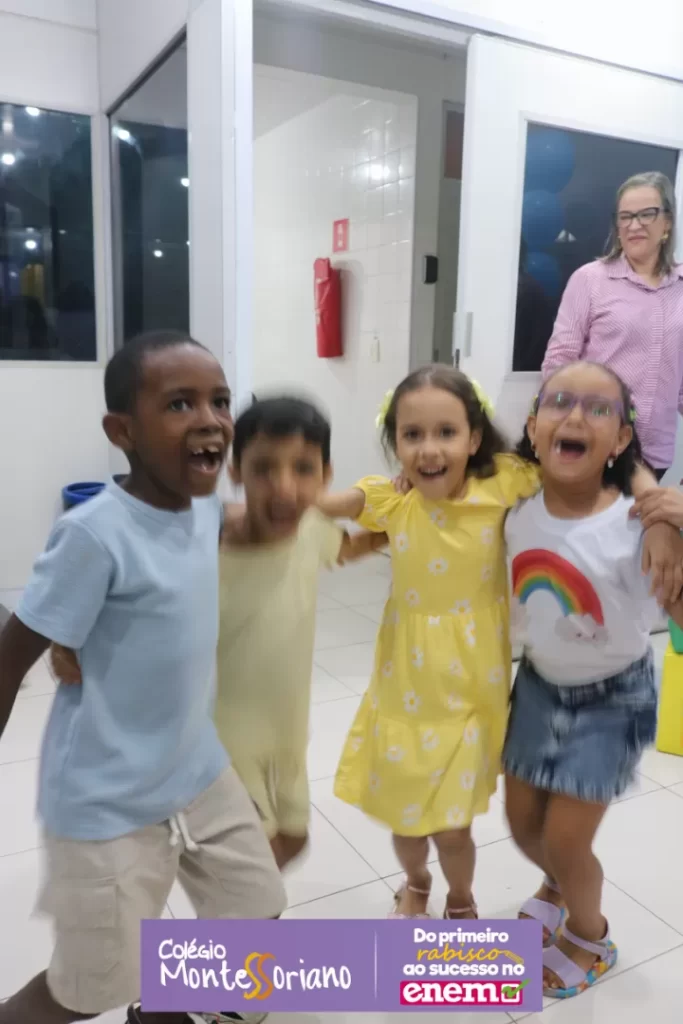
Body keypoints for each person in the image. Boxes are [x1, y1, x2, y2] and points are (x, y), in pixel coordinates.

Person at [317, 365, 681, 923]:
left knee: (512, 833)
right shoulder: (435, 498)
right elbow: (352, 511)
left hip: (533, 695)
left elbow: (615, 463)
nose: (429, 448)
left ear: (475, 437)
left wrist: (657, 511)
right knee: (477, 823)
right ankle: (452, 883)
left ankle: (556, 923)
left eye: (446, 432)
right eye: (412, 434)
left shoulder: (515, 488)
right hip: (464, 688)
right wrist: (284, 506)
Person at [0, 332, 285, 1024]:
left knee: (256, 909)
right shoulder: (94, 534)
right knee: (88, 986)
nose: (210, 420)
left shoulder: (202, 508)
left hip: (195, 770)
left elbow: (237, 531)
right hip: (108, 798)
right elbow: (10, 656)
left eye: (220, 401)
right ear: (121, 431)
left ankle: (159, 1014)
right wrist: (65, 638)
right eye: (180, 404)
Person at [54, 396, 387, 875]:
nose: (284, 487)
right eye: (264, 469)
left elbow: (347, 548)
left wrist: (407, 529)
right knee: (252, 869)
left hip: (287, 734)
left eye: (303, 469)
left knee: (292, 842)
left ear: (325, 476)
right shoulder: (205, 545)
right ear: (236, 472)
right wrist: (68, 643)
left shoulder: (313, 528)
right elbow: (127, 591)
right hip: (220, 743)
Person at [503, 360, 683, 1000]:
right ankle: (555, 886)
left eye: (599, 409)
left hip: (613, 699)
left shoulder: (638, 525)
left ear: (622, 439)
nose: (575, 416)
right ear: (533, 427)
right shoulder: (512, 509)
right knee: (521, 823)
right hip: (537, 685)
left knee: (565, 838)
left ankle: (590, 934)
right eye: (559, 402)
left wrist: (671, 525)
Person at [542, 171, 683, 479]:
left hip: (655, 451)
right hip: (595, 441)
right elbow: (558, 362)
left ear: (667, 222)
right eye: (626, 216)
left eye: (647, 214)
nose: (634, 225)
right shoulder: (590, 280)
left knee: (639, 513)